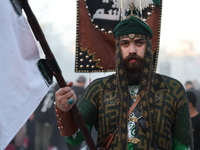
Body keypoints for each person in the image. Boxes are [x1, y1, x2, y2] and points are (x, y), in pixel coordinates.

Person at [54, 4, 193, 150]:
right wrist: (63, 111)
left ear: (149, 47)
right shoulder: (98, 88)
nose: (132, 50)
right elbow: (76, 138)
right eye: (125, 44)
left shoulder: (172, 89)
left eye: (139, 43)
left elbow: (183, 144)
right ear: (118, 49)